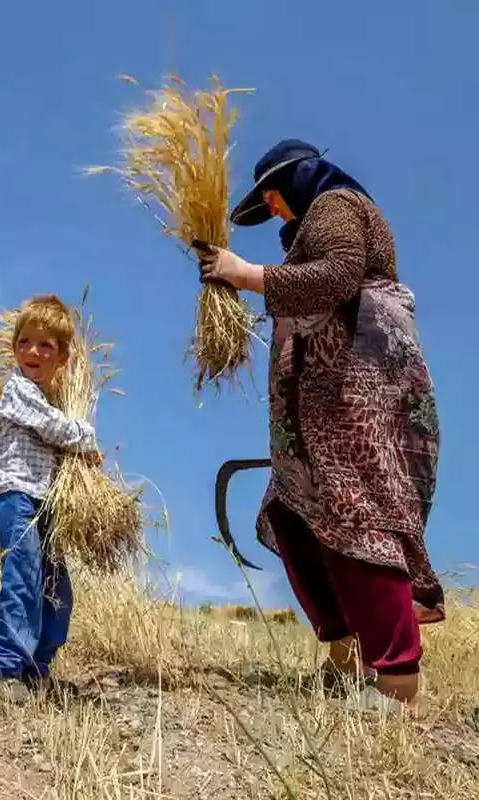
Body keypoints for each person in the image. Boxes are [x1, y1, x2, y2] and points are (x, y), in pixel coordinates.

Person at [197, 139, 444, 711]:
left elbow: (337, 277)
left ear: (291, 182)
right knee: (292, 514)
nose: (276, 212)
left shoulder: (336, 204)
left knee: (357, 513)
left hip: (355, 396)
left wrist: (246, 272)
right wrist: (232, 286)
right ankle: (345, 653)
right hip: (315, 405)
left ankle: (398, 680)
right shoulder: (305, 232)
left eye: (274, 200)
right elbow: (299, 291)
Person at [0, 294, 104, 703]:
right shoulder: (19, 390)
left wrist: (81, 455)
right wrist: (85, 437)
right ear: (14, 347)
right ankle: (4, 669)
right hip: (16, 498)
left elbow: (56, 432)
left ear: (63, 357)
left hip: (44, 504)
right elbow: (53, 427)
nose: (33, 351)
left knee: (56, 589)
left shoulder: (48, 398)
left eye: (46, 345)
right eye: (25, 342)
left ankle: (38, 669)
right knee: (23, 580)